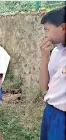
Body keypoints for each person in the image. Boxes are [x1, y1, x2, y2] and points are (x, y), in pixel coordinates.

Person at [39, 6, 66, 140]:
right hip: (50, 110)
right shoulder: (56, 52)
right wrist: (45, 57)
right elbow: (44, 87)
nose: (45, 35)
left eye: (47, 30)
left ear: (63, 28)